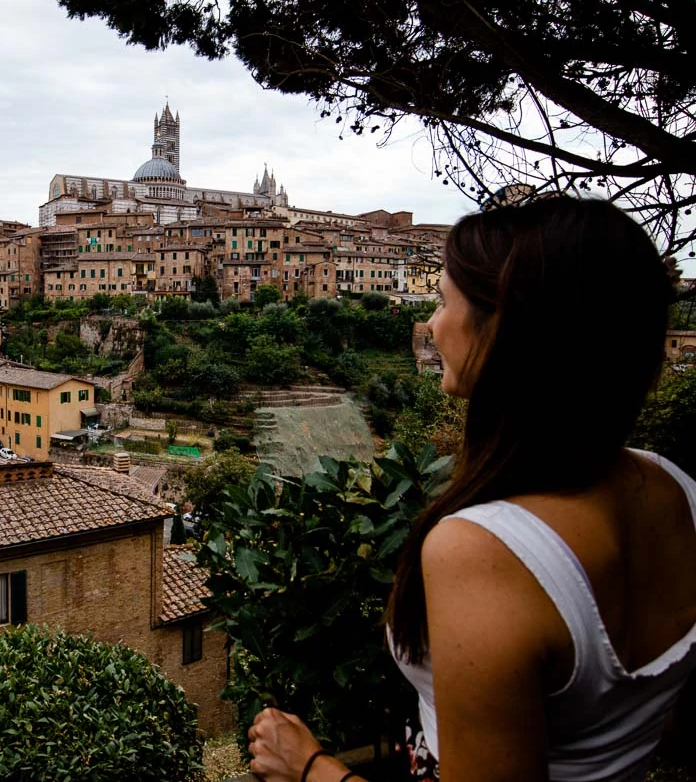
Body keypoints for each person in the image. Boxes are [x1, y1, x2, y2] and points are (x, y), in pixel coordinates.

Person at [247, 195, 696, 782]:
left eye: (441, 301)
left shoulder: (484, 553)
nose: (431, 324)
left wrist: (309, 767)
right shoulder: (674, 487)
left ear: (507, 325)